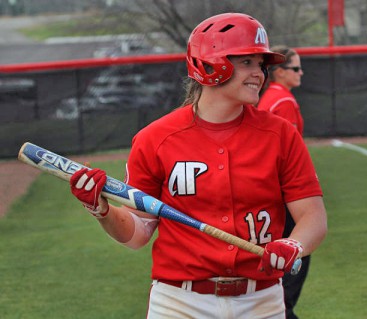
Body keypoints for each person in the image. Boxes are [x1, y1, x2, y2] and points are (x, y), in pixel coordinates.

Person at [69, 13, 327, 319]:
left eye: (261, 64)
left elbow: (313, 217)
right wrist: (103, 211)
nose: (259, 72)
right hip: (180, 303)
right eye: (247, 62)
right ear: (210, 65)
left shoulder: (280, 134)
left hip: (261, 301)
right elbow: (138, 233)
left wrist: (292, 244)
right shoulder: (156, 139)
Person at [257, 46, 308, 319]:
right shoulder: (283, 101)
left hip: (269, 192)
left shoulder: (270, 97)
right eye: (296, 68)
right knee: (296, 255)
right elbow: (287, 156)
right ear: (279, 72)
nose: (301, 73)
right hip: (282, 194)